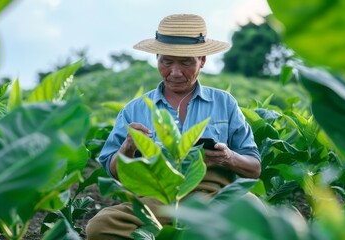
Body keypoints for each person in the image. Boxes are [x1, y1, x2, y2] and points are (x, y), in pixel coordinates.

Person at [85, 13, 261, 240]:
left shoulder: (224, 102)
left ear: (202, 61)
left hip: (212, 199)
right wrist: (128, 147)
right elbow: (114, 172)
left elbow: (254, 167)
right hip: (156, 201)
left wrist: (228, 157)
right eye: (166, 62)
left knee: (253, 211)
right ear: (157, 58)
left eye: (186, 62)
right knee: (100, 226)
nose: (175, 72)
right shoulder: (135, 109)